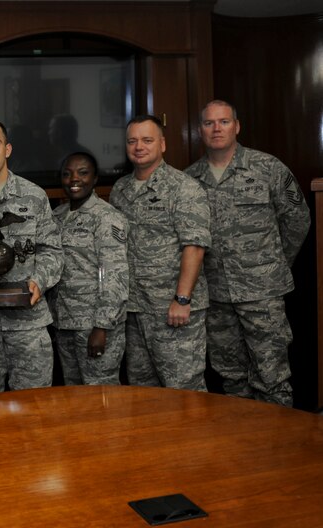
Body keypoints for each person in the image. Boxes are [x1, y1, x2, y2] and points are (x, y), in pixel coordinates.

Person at [184, 100, 310, 406]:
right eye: (209, 123)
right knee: (232, 378)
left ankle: (279, 446)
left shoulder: (267, 168)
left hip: (262, 292)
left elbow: (297, 219)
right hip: (214, 295)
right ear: (200, 130)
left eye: (224, 122)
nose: (217, 129)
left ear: (237, 126)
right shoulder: (189, 180)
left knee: (273, 376)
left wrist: (274, 264)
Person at [0, 119, 63, 395]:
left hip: (28, 324)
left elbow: (52, 250)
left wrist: (39, 282)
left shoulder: (34, 196)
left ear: (8, 149)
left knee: (34, 408)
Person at [109, 115, 210, 390]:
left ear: (162, 144)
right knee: (143, 392)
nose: (138, 146)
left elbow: (195, 246)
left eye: (147, 140)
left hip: (172, 310)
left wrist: (182, 298)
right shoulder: (120, 190)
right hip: (134, 309)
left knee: (184, 389)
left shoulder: (184, 188)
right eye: (132, 140)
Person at [50, 152, 129, 385]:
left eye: (83, 173)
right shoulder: (57, 217)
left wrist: (101, 327)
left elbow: (114, 274)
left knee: (101, 394)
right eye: (67, 174)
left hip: (94, 325)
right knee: (74, 396)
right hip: (64, 324)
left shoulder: (106, 218)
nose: (74, 179)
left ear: (95, 179)